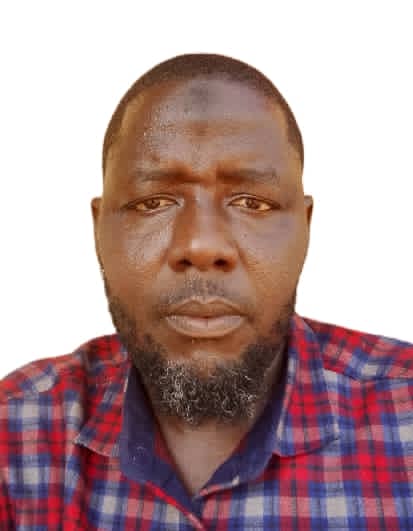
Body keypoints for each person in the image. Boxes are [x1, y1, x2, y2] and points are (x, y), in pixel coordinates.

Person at [1, 53, 412, 530]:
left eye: (252, 202)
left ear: (305, 228)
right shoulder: (15, 434)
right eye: (153, 202)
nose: (202, 245)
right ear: (99, 230)